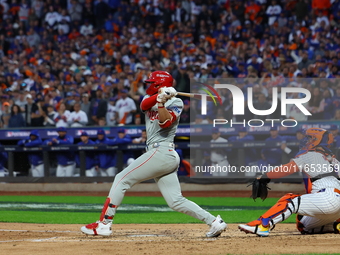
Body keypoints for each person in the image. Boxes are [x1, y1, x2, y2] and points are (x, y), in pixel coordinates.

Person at [81, 71, 227, 237]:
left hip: (162, 151)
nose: (149, 85)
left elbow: (165, 123)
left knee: (121, 179)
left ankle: (104, 224)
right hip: (160, 154)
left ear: (159, 84)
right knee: (175, 201)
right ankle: (215, 222)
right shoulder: (149, 99)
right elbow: (144, 106)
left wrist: (163, 103)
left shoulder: (176, 101)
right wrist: (160, 97)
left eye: (152, 83)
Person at [239, 128, 340, 236]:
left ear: (317, 140)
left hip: (327, 197)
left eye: (309, 138)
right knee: (304, 225)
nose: (306, 140)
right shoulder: (333, 160)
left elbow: (287, 169)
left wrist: (265, 177)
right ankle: (335, 225)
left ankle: (262, 225)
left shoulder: (311, 155)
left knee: (288, 200)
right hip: (336, 207)